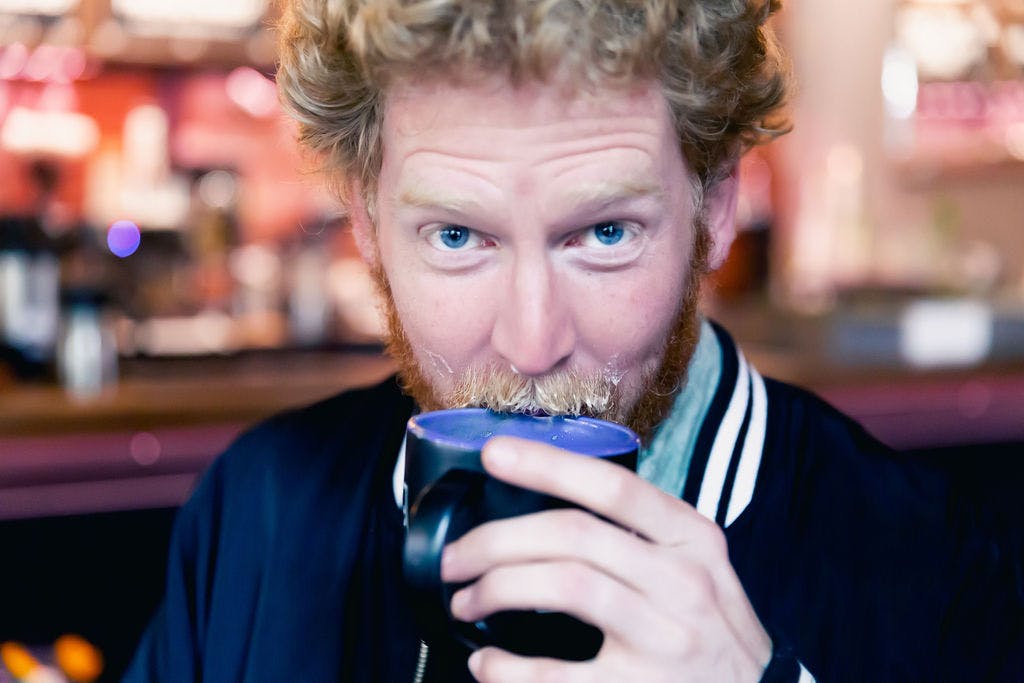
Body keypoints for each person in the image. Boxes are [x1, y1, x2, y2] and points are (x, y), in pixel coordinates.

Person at [124, 1, 1023, 681]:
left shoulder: (936, 566)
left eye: (603, 233)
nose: (531, 345)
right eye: (456, 236)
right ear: (364, 222)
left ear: (714, 207)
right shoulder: (254, 513)